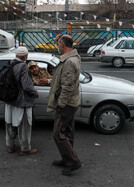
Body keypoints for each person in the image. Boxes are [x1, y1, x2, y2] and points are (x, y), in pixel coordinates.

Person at [47, 35, 82, 175]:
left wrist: (61, 103)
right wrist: (60, 40)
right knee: (67, 132)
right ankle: (67, 158)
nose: (57, 46)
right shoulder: (72, 56)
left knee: (58, 134)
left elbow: (67, 85)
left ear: (63, 44)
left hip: (67, 104)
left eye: (59, 44)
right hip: (71, 102)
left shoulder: (69, 62)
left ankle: (73, 162)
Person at [5, 46, 39, 156]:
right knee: (24, 126)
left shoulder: (10, 64)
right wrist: (35, 93)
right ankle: (25, 149)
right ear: (25, 56)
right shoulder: (23, 67)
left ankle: (10, 146)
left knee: (10, 123)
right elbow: (27, 86)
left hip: (10, 100)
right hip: (22, 102)